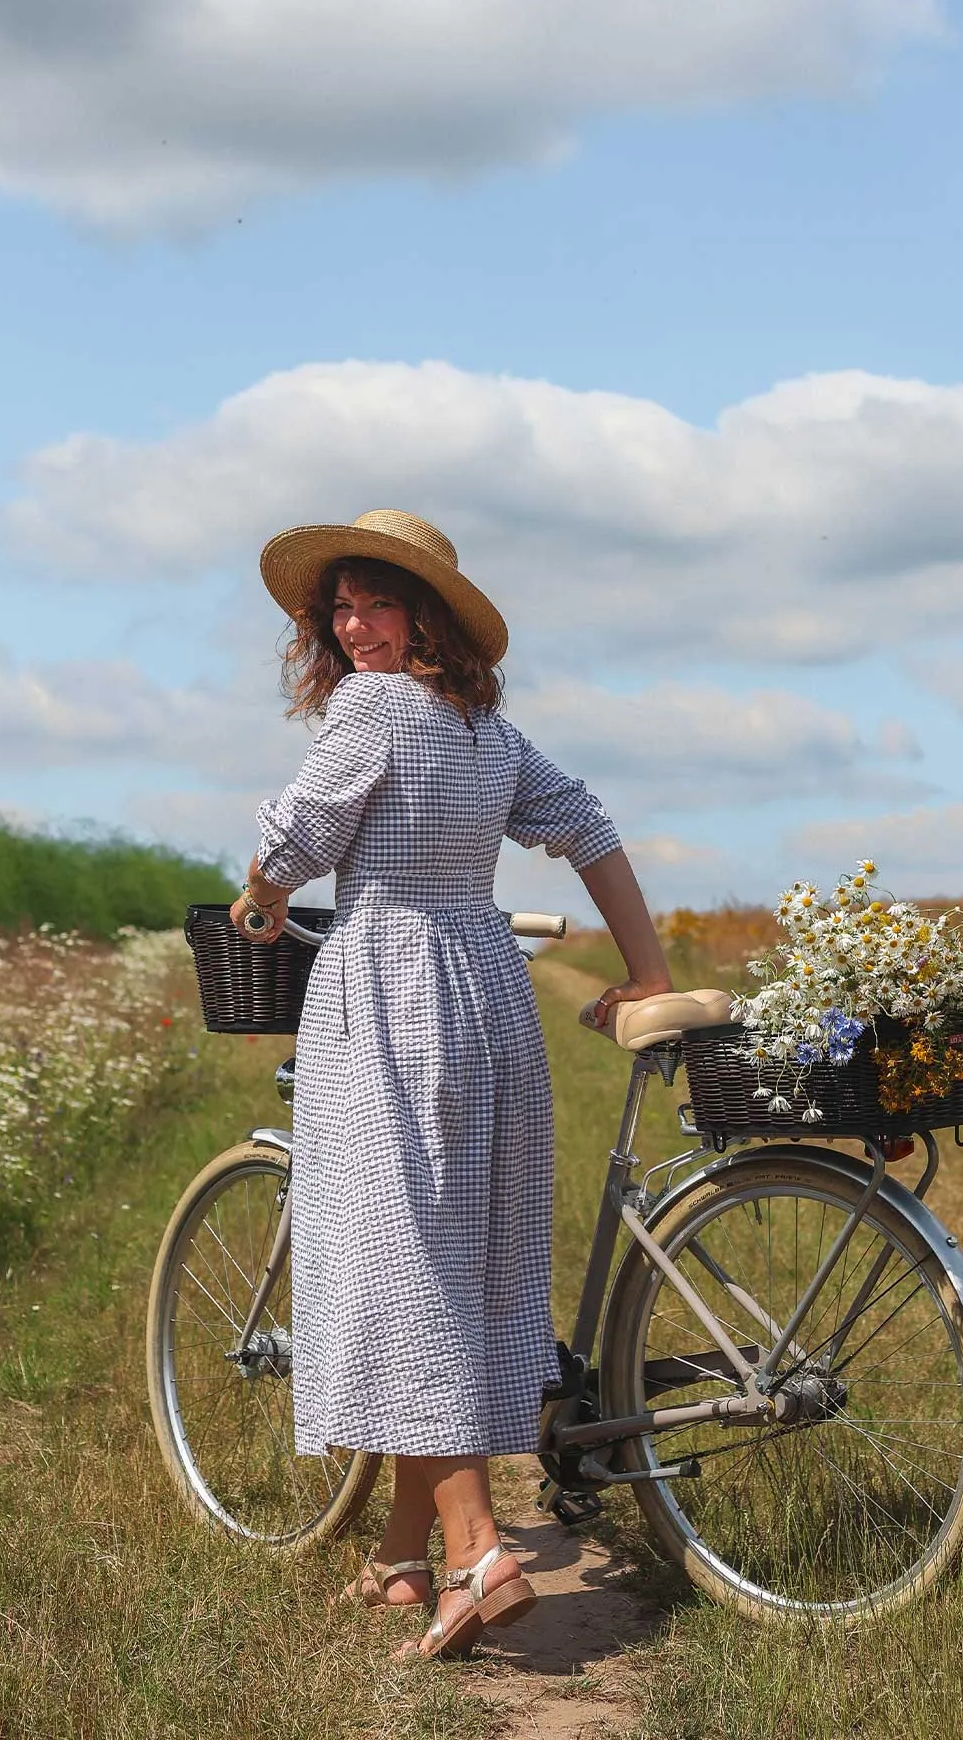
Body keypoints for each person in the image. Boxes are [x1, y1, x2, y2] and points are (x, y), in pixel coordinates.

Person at [230, 509, 671, 1662]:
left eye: (376, 602)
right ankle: (399, 1552)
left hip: (386, 987)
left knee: (393, 1264)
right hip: (484, 986)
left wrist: (261, 891)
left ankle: (479, 1549)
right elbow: (587, 825)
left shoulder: (372, 708)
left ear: (424, 614)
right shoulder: (485, 727)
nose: (354, 625)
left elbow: (305, 829)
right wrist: (648, 966)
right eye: (340, 607)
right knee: (461, 1261)